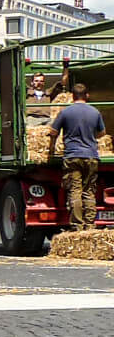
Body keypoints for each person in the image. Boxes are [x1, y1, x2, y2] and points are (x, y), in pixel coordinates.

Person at [51, 83, 105, 232]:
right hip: (91, 156)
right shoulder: (95, 112)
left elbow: (53, 132)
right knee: (89, 191)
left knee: (75, 191)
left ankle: (77, 226)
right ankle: (90, 226)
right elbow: (102, 133)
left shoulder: (65, 112)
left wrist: (51, 149)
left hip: (73, 156)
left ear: (72, 96)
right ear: (87, 95)